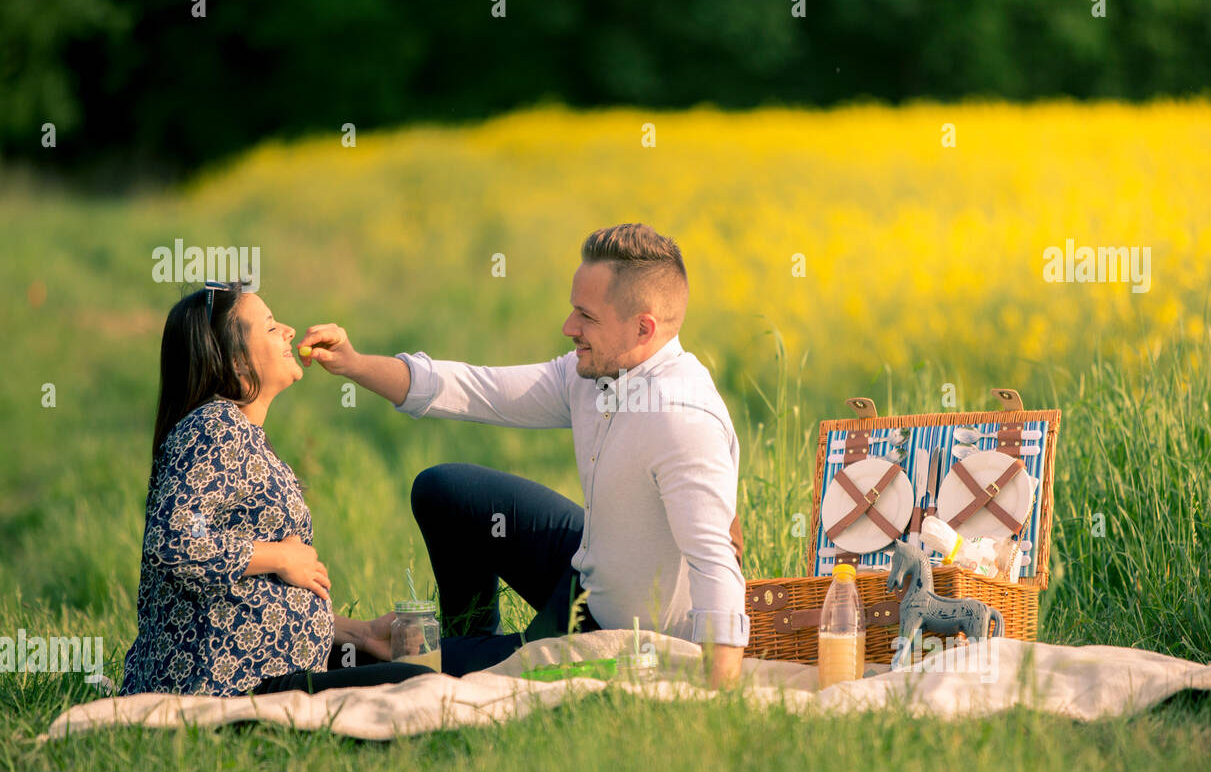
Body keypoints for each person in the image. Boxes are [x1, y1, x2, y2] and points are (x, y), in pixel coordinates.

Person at [297, 223, 749, 687]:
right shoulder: (593, 373)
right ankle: (467, 635)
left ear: (643, 327)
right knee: (445, 491)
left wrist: (717, 696)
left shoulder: (681, 418)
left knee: (396, 673)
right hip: (591, 567)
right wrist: (354, 364)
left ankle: (443, 656)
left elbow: (715, 562)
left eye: (585, 316)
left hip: (622, 633)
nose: (568, 328)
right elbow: (476, 389)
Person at [120, 280, 435, 697]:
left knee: (436, 665)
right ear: (236, 362)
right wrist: (279, 555)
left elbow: (241, 591)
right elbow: (173, 541)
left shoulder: (238, 433)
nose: (288, 330)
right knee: (422, 684)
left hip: (257, 674)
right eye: (270, 327)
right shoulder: (213, 428)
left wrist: (360, 635)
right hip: (226, 684)